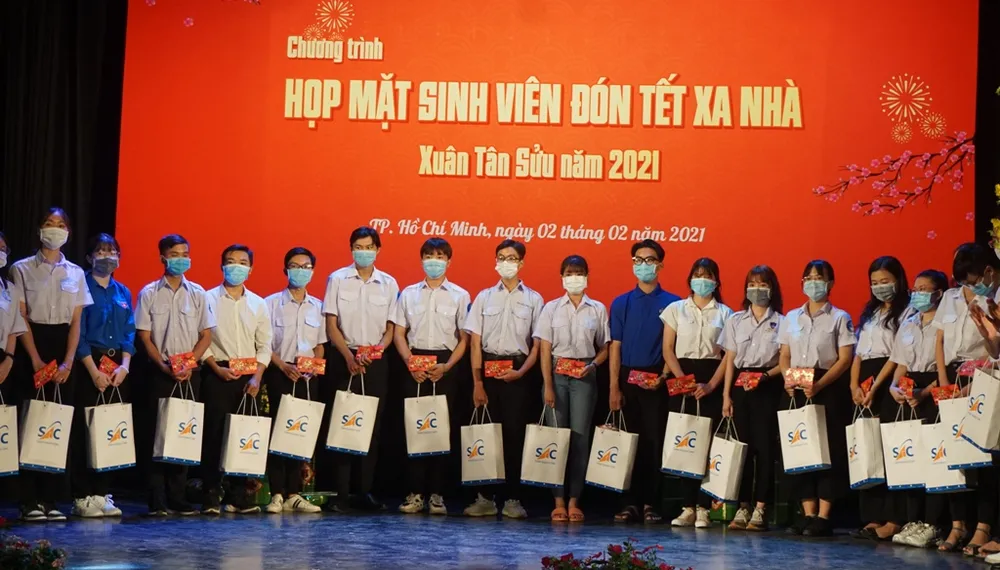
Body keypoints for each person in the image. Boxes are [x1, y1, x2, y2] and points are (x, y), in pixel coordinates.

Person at [10, 208, 92, 522]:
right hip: (32, 344)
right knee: (31, 421)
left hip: (63, 348)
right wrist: (35, 359)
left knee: (58, 422)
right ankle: (28, 499)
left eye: (60, 225)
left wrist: (68, 362)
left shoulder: (76, 272)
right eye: (49, 224)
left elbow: (76, 322)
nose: (54, 229)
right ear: (39, 230)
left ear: (68, 232)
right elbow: (20, 316)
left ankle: (51, 497)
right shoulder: (21, 269)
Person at [882, 270, 963, 550]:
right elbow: (901, 363)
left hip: (932, 389)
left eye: (924, 289)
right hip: (908, 392)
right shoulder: (908, 323)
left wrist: (926, 392)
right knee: (910, 457)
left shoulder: (946, 325)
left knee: (935, 458)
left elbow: (945, 365)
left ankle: (933, 522)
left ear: (939, 293)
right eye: (915, 289)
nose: (918, 294)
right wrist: (894, 387)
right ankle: (913, 519)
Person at [463, 239, 544, 519]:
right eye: (501, 257)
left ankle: (512, 498)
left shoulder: (534, 299)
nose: (506, 262)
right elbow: (475, 343)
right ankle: (484, 498)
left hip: (519, 373)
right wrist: (477, 383)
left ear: (521, 263)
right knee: (486, 436)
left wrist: (521, 372)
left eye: (511, 258)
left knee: (514, 436)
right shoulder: (484, 297)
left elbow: (537, 345)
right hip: (487, 371)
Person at [136, 234, 214, 516]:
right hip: (161, 371)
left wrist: (189, 364)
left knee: (184, 432)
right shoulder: (148, 293)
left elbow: (206, 335)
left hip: (189, 372)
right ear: (163, 258)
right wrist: (164, 366)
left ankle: (178, 497)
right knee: (157, 433)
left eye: (185, 254)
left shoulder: (198, 293)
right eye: (175, 254)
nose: (181, 259)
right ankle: (157, 499)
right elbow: (144, 336)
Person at [322, 227, 399, 512]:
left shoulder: (389, 283)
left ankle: (364, 491)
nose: (363, 252)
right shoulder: (337, 279)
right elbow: (331, 324)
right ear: (351, 249)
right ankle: (342, 493)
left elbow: (391, 328)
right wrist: (348, 356)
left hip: (375, 361)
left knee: (372, 427)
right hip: (344, 359)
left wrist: (375, 352)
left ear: (378, 249)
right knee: (343, 425)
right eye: (358, 247)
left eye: (368, 247)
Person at [777, 259, 855, 537]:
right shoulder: (791, 317)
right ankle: (807, 513)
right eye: (808, 278)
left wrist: (820, 384)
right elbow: (784, 355)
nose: (813, 283)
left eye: (818, 278)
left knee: (827, 448)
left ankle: (824, 515)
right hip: (796, 384)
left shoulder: (840, 317)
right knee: (799, 447)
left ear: (830, 283)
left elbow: (845, 359)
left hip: (826, 385)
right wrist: (788, 378)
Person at [393, 238, 470, 516]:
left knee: (441, 432)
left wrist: (447, 366)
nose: (433, 261)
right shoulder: (408, 293)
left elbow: (464, 338)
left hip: (444, 366)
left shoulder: (460, 295)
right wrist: (410, 363)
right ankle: (414, 493)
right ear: (421, 259)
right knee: (414, 430)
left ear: (449, 260)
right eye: (428, 255)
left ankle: (437, 494)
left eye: (439, 256)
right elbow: (399, 333)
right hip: (414, 365)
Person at [534, 255, 610, 523]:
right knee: (556, 438)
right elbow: (545, 350)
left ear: (587, 276)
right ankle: (557, 500)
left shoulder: (597, 309)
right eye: (569, 272)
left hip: (584, 376)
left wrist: (593, 365)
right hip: (557, 376)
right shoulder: (551, 308)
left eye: (579, 272)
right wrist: (548, 385)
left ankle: (574, 500)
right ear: (562, 277)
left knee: (579, 439)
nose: (574, 277)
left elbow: (605, 347)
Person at [610, 240, 680, 524]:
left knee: (654, 442)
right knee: (628, 442)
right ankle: (629, 503)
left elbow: (673, 347)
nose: (643, 265)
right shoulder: (621, 302)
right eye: (638, 260)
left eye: (650, 260)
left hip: (657, 380)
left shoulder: (674, 303)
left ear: (660, 265)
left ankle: (652, 503)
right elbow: (615, 347)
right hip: (627, 377)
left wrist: (663, 376)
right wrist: (614, 387)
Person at [937, 243, 1000, 558]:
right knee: (961, 455)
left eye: (974, 281)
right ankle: (963, 525)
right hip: (965, 377)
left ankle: (988, 529)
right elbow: (996, 350)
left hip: (985, 379)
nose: (972, 288)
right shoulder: (970, 299)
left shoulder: (993, 297)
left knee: (989, 459)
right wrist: (989, 332)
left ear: (988, 271)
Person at [661, 258, 733, 528]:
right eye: (698, 274)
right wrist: (683, 380)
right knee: (685, 442)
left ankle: (704, 507)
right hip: (683, 380)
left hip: (711, 381)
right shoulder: (676, 309)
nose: (702, 280)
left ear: (716, 281)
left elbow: (728, 356)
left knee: (708, 446)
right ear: (690, 279)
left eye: (708, 275)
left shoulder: (726, 313)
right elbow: (668, 349)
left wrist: (712, 385)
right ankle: (687, 506)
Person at [201, 244, 271, 515]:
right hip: (218, 371)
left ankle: (240, 496)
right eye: (231, 262)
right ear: (222, 266)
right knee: (214, 434)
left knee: (244, 435)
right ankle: (210, 494)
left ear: (250, 269)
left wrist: (256, 377)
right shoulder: (207, 298)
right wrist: (215, 368)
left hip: (249, 377)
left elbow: (265, 345)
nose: (236, 267)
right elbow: (202, 339)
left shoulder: (258, 303)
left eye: (243, 262)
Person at [70, 234, 135, 518]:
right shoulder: (81, 287)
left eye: (112, 251)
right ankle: (82, 495)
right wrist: (93, 371)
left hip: (117, 365)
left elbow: (129, 330)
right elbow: (78, 332)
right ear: (89, 257)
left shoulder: (123, 291)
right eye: (101, 251)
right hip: (90, 363)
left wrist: (125, 366)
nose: (107, 256)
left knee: (111, 430)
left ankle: (101, 492)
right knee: (86, 429)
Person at [849, 257, 910, 540]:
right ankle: (872, 515)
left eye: (885, 281)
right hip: (865, 379)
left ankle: (894, 518)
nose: (879, 287)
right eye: (874, 282)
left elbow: (897, 354)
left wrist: (876, 388)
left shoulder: (907, 311)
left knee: (889, 449)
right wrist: (854, 385)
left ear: (898, 280)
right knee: (868, 447)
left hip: (888, 379)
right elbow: (859, 354)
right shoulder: (871, 312)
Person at [720, 265, 784, 531]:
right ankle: (743, 505)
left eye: (763, 284)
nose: (757, 289)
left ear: (772, 288)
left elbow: (785, 361)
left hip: (767, 384)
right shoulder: (736, 320)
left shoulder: (782, 321)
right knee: (742, 449)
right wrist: (726, 395)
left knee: (765, 449)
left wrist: (766, 376)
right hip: (740, 385)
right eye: (752, 284)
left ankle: (761, 507)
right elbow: (730, 359)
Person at [263, 247, 325, 514]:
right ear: (285, 270)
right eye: (295, 266)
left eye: (306, 266)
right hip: (281, 373)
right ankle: (277, 493)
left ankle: (295, 493)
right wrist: (282, 366)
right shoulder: (270, 303)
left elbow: (320, 345)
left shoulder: (319, 307)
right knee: (279, 433)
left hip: (308, 378)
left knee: (301, 434)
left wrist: (314, 366)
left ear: (313, 271)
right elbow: (264, 344)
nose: (301, 271)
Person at [0, 231, 28, 474]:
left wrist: (8, 360)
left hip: (2, 360)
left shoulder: (10, 289)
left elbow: (14, 328)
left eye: (3, 249)